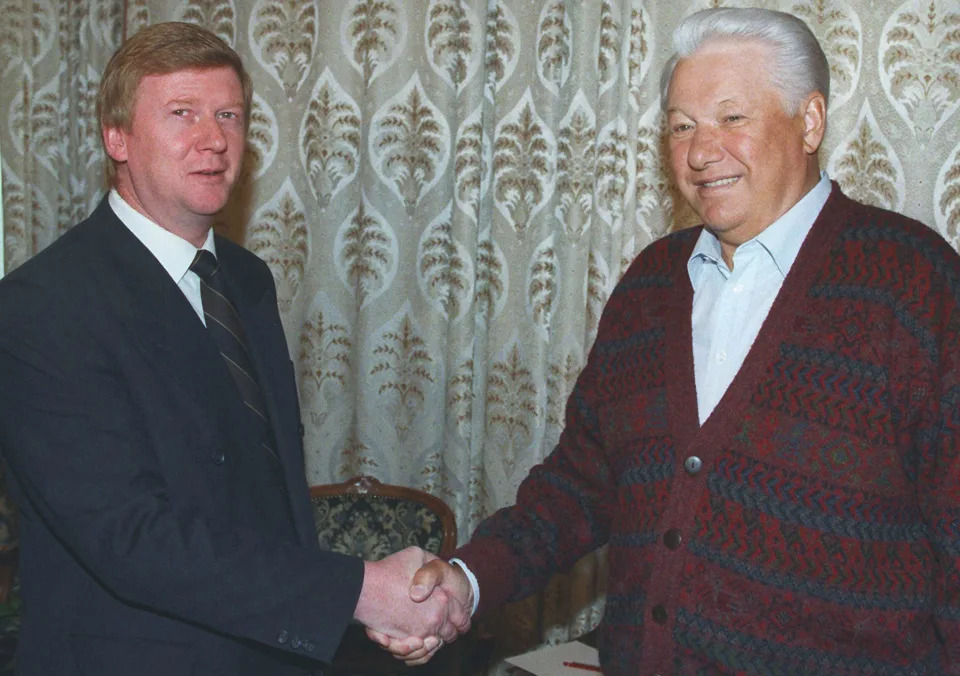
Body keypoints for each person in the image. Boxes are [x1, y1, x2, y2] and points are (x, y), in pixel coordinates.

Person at [376, 7, 960, 674]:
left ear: (810, 122)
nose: (701, 151)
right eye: (681, 127)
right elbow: (581, 483)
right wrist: (467, 582)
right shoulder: (651, 285)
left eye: (731, 119)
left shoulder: (916, 285)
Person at [0, 22, 467, 676]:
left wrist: (352, 613)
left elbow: (274, 503)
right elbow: (131, 539)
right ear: (117, 138)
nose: (214, 139)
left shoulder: (245, 280)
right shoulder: (42, 306)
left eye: (229, 115)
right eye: (182, 114)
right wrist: (359, 592)